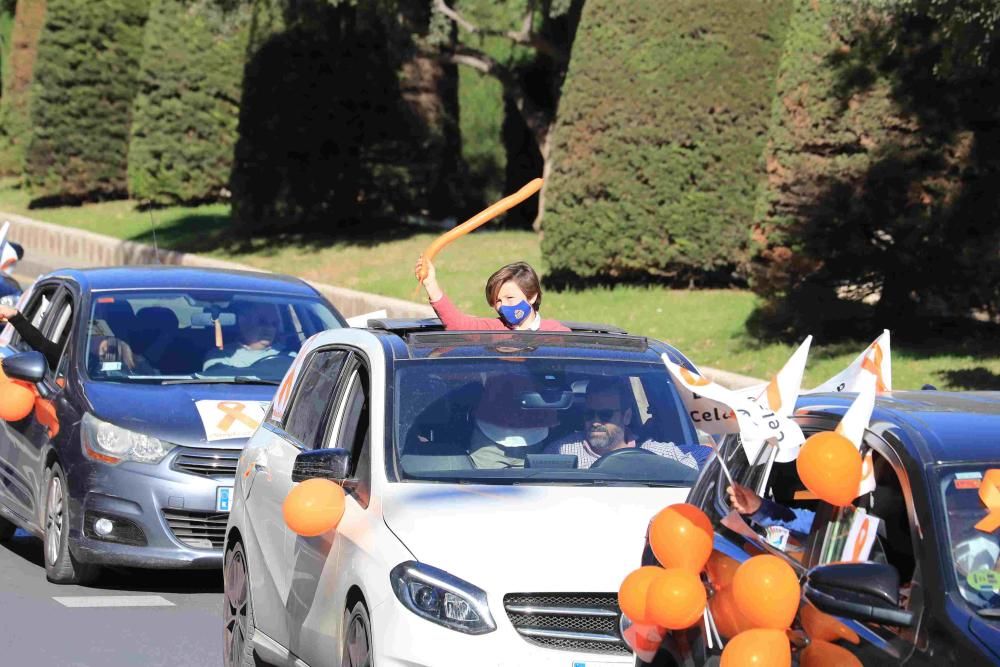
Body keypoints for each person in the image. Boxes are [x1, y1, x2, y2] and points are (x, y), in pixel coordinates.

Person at [544, 377, 710, 470]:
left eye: (605, 414)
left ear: (627, 416)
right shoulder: (561, 451)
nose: (595, 422)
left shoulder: (655, 452)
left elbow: (708, 458)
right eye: (589, 414)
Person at [414, 257, 570, 332]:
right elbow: (457, 324)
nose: (502, 307)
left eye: (510, 298)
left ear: (532, 296)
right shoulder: (493, 330)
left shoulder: (557, 333)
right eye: (498, 301)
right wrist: (430, 284)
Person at [468, 374, 557, 469]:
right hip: (491, 437)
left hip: (531, 438)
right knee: (481, 481)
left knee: (482, 481)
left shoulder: (487, 363)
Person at [203, 301, 289, 371]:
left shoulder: (289, 356)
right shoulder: (220, 356)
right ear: (243, 322)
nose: (270, 328)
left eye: (274, 324)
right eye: (262, 322)